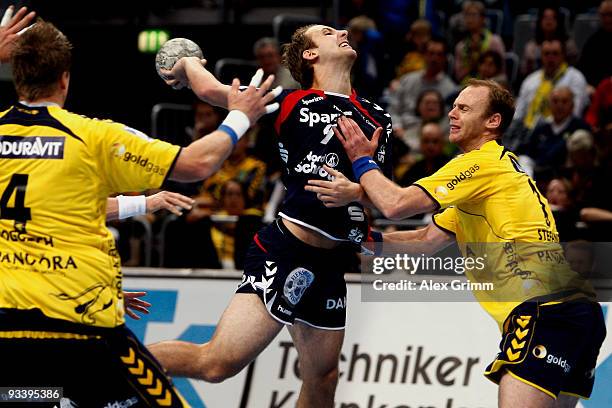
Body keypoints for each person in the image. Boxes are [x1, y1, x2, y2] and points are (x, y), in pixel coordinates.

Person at [0, 21, 280, 407]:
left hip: (9, 332)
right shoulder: (93, 137)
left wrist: (145, 204)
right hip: (83, 333)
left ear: (16, 74)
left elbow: (63, 210)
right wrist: (239, 116)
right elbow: (197, 163)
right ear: (65, 79)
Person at [306, 79, 606, 407]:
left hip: (544, 310)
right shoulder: (488, 183)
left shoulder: (480, 163)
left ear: (493, 122)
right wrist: (355, 239)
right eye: (454, 106)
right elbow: (422, 241)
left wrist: (362, 160)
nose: (452, 113)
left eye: (464, 108)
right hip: (579, 312)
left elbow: (395, 204)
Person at [148, 23, 392, 406]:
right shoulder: (292, 102)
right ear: (310, 54)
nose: (342, 31)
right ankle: (106, 371)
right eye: (328, 32)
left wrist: (357, 190)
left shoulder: (378, 116)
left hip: (331, 263)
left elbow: (384, 193)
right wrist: (187, 64)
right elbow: (216, 92)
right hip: (286, 250)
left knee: (323, 378)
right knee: (217, 364)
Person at [514, 39, 588, 130]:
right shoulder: (530, 80)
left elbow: (575, 112)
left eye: (555, 53)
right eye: (546, 54)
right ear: (541, 56)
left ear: (563, 56)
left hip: (559, 129)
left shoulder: (576, 78)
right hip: (526, 131)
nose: (550, 57)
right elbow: (518, 113)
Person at [453, 1, 505, 84]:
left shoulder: (495, 41)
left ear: (482, 18)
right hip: (467, 86)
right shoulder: (461, 46)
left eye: (473, 15)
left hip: (491, 84)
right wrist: (472, 63)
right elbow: (458, 76)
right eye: (467, 15)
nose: (470, 19)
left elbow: (502, 72)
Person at [521, 6, 578, 77]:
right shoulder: (531, 46)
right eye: (545, 18)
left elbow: (574, 67)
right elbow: (525, 72)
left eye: (552, 18)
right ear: (540, 21)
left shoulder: (568, 44)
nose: (549, 21)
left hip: (564, 79)